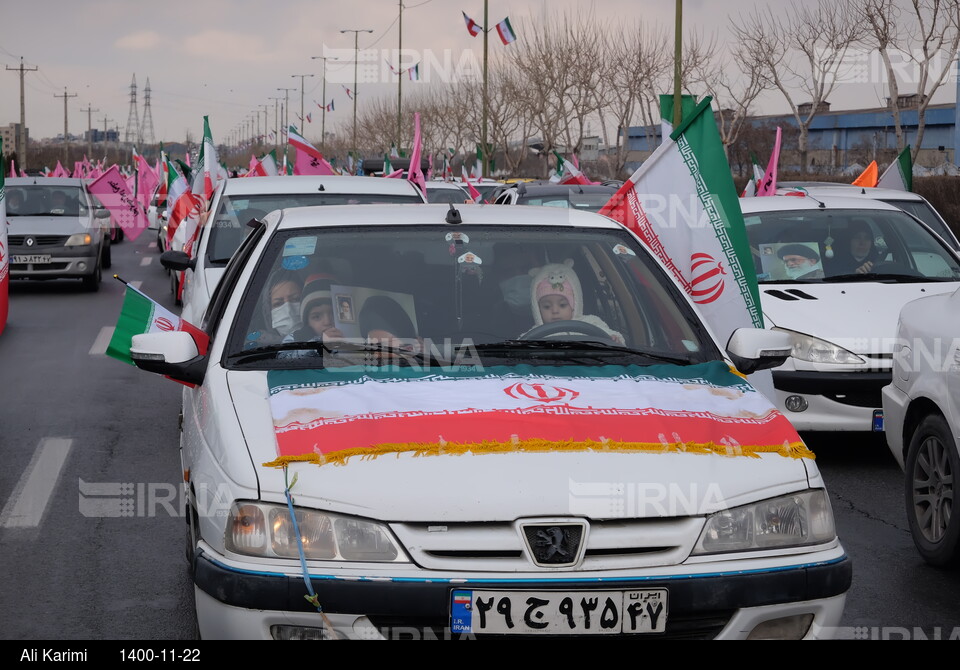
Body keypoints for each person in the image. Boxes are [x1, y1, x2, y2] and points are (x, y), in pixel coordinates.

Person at [523, 259, 625, 344]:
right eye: (546, 307)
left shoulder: (592, 323)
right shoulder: (533, 334)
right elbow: (518, 349)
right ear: (537, 309)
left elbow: (612, 338)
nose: (555, 311)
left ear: (575, 305)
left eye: (562, 305)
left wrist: (615, 339)